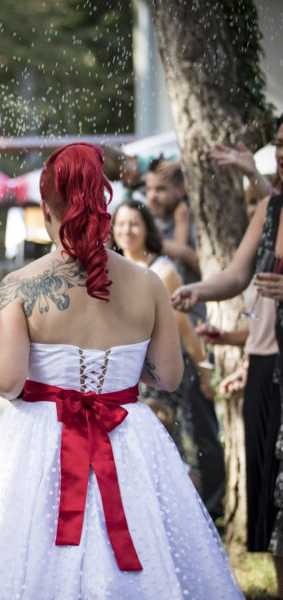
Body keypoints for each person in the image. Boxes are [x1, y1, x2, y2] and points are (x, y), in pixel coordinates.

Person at [0, 142, 241, 599]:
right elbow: (168, 376)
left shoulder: (19, 287)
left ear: (46, 208)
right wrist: (118, 372)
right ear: (103, 205)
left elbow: (8, 382)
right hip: (127, 437)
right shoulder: (148, 283)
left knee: (33, 558)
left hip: (41, 441)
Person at [173, 113, 283, 596]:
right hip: (265, 369)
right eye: (279, 144)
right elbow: (238, 277)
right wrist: (197, 290)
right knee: (273, 501)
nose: (281, 153)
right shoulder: (270, 209)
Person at [112, 199, 226, 519]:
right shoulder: (112, 268)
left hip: (170, 366)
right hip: (131, 371)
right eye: (120, 223)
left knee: (186, 438)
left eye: (134, 223)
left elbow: (183, 327)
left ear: (147, 227)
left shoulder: (163, 270)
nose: (127, 230)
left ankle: (200, 509)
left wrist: (204, 369)